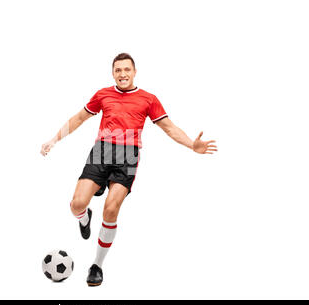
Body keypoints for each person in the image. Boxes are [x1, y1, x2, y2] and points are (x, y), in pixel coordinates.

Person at [40, 53, 217, 286]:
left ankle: (97, 265)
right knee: (77, 204)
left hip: (127, 157)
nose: (122, 74)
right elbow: (79, 118)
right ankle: (84, 219)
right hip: (101, 152)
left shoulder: (148, 99)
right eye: (118, 70)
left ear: (134, 72)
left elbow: (169, 128)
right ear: (113, 73)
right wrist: (54, 139)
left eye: (126, 70)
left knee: (111, 210)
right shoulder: (103, 95)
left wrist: (191, 145)